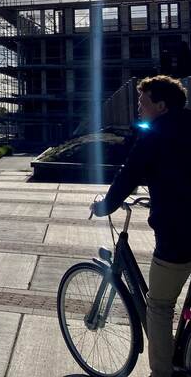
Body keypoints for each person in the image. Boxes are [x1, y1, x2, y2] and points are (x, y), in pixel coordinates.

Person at [90, 75, 191, 377]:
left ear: (161, 106)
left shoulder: (154, 134)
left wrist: (104, 206)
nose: (138, 107)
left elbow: (128, 175)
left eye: (143, 102)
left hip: (178, 236)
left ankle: (162, 374)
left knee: (159, 306)